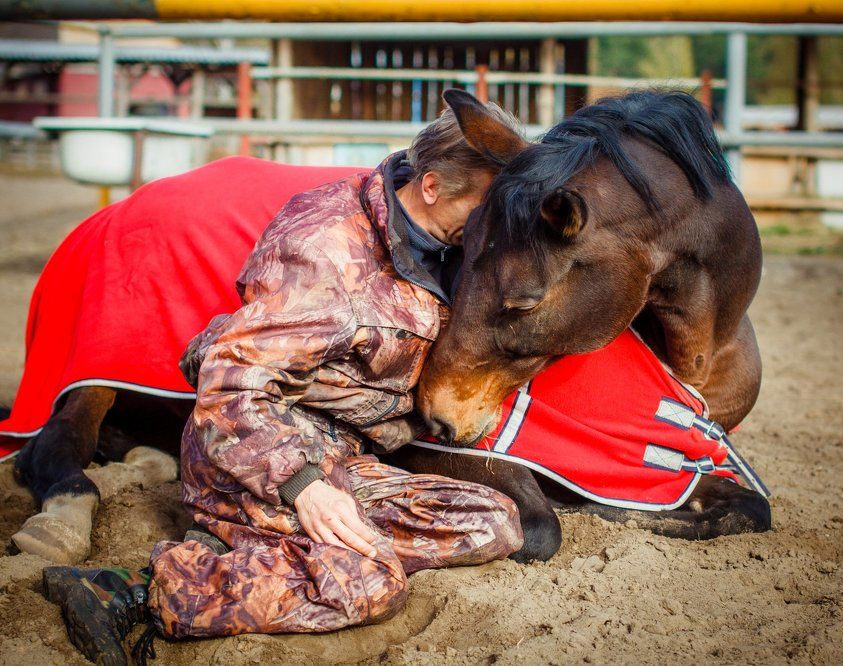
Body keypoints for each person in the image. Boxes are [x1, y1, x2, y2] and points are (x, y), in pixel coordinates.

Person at [40, 98, 525, 665]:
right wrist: (304, 487)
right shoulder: (327, 255)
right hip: (257, 453)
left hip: (343, 450)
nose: (493, 227)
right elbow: (229, 384)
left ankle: (262, 546)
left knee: (493, 522)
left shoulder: (439, 239)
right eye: (484, 207)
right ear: (434, 186)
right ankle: (130, 589)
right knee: (368, 583)